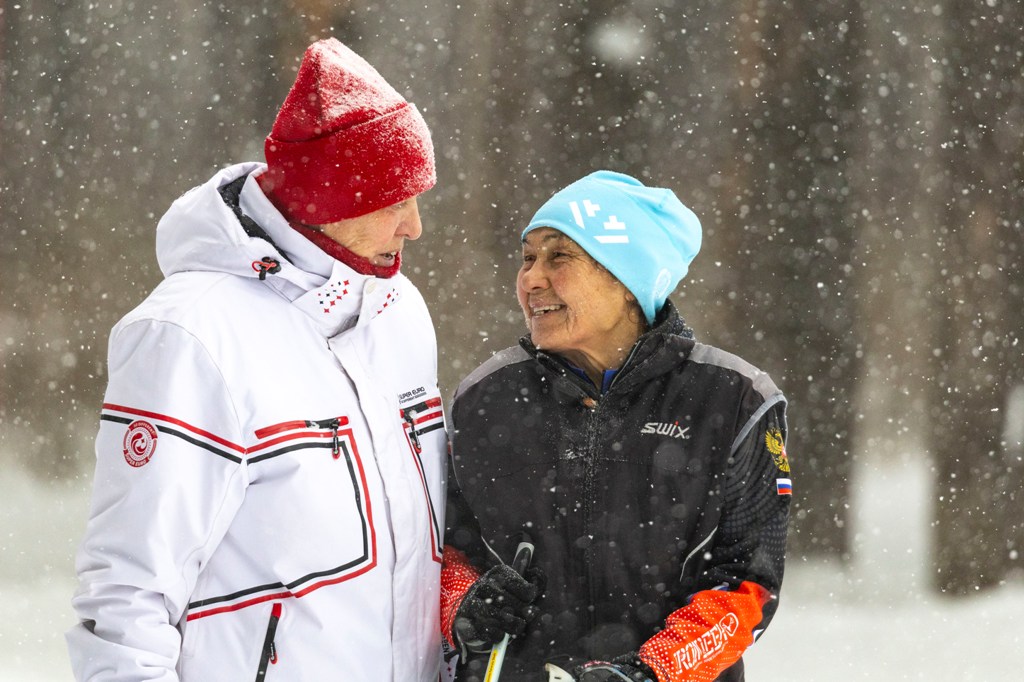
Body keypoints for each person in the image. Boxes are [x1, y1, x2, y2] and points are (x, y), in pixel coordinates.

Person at [67, 38, 448, 681]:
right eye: (392, 202)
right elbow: (128, 595)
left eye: (418, 198)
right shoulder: (189, 336)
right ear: (326, 200)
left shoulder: (398, 312)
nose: (414, 226)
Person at [440, 171, 792, 682]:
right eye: (528, 257)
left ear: (628, 283)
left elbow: (747, 585)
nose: (531, 278)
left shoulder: (737, 399)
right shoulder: (484, 396)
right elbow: (442, 548)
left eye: (559, 257)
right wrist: (464, 607)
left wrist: (651, 672)